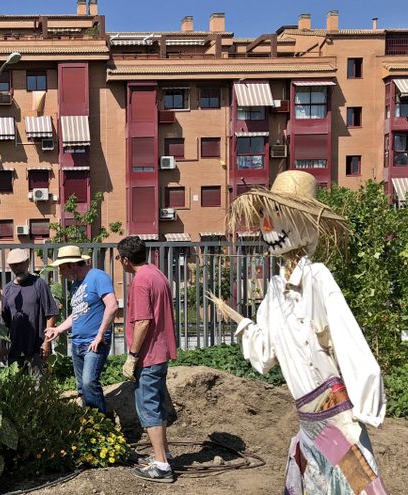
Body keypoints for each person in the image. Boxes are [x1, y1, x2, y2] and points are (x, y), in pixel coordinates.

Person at [210, 171, 388, 495]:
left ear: (304, 222)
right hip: (308, 419)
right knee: (319, 486)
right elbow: (266, 354)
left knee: (355, 487)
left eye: (278, 215)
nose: (268, 226)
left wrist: (365, 398)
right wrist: (242, 323)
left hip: (334, 416)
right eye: (265, 216)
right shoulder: (275, 291)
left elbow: (348, 338)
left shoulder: (317, 278)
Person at [116, 236, 177, 483]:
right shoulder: (157, 274)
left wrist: (132, 356)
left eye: (119, 258)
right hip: (160, 352)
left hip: (148, 355)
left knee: (148, 407)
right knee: (157, 404)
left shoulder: (141, 281)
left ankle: (161, 466)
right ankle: (164, 455)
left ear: (126, 260)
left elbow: (142, 322)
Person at [44, 245, 118, 413]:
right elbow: (77, 313)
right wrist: (58, 329)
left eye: (62, 268)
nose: (61, 273)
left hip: (94, 342)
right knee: (82, 388)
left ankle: (102, 421)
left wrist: (100, 335)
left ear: (72, 265)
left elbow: (112, 306)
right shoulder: (75, 285)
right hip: (77, 344)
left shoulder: (98, 277)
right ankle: (89, 421)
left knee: (88, 382)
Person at [1, 248, 59, 380]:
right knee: (16, 386)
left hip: (37, 347)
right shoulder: (8, 289)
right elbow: (5, 321)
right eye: (13, 265)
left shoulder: (38, 284)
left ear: (27, 263)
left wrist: (46, 342)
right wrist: (3, 346)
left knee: (38, 386)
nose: (17, 268)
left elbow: (51, 314)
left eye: (20, 264)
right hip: (15, 349)